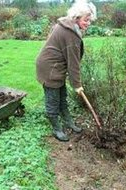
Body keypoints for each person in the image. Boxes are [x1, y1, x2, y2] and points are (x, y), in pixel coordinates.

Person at [36, 1, 97, 141]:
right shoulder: (71, 35)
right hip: (50, 69)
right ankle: (57, 129)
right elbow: (73, 64)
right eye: (86, 20)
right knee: (53, 101)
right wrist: (77, 85)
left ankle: (69, 122)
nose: (88, 23)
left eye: (90, 21)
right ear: (77, 17)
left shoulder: (66, 25)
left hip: (56, 66)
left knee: (62, 98)